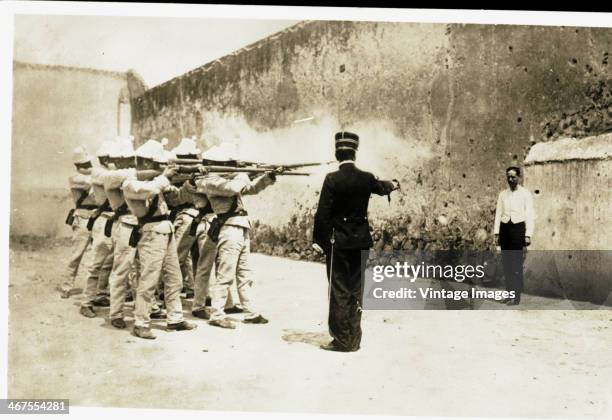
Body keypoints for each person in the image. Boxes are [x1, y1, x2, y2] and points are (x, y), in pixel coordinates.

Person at [312, 131, 399, 352]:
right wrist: (394, 184)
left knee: (339, 289)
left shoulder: (332, 179)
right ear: (355, 153)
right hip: (361, 242)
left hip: (338, 243)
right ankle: (354, 340)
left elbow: (323, 213)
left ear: (336, 153)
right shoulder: (367, 177)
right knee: (356, 289)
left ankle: (342, 340)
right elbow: (382, 187)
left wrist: (318, 242)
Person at [122, 139, 197, 339]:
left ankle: (175, 318)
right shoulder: (131, 182)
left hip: (166, 229)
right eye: (157, 165)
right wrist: (164, 177)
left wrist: (190, 183)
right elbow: (148, 191)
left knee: (174, 278)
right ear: (146, 164)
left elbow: (177, 198)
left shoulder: (156, 181)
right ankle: (141, 322)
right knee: (149, 279)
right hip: (150, 231)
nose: (160, 168)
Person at [199, 142, 277, 329]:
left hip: (241, 226)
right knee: (225, 274)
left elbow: (250, 188)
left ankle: (250, 312)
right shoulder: (208, 180)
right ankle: (217, 314)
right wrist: (244, 173)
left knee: (244, 273)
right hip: (229, 227)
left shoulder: (231, 178)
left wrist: (268, 177)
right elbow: (234, 188)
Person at [79, 140, 116, 317]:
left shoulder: (111, 173)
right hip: (105, 219)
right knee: (96, 264)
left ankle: (100, 294)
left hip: (115, 220)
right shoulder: (99, 173)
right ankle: (86, 301)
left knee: (109, 263)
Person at [59, 146, 98, 298]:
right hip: (82, 217)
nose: (89, 166)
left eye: (89, 163)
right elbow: (89, 182)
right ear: (78, 166)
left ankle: (99, 290)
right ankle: (66, 286)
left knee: (100, 255)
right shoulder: (75, 177)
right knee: (77, 254)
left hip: (96, 216)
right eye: (85, 164)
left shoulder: (92, 175)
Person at [493, 166, 535, 306]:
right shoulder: (502, 194)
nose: (510, 179)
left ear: (519, 177)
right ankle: (508, 294)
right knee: (506, 264)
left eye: (513, 177)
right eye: (508, 177)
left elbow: (530, 215)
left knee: (516, 264)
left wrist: (528, 234)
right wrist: (497, 233)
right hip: (505, 229)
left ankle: (516, 298)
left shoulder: (525, 194)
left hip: (518, 230)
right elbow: (498, 214)